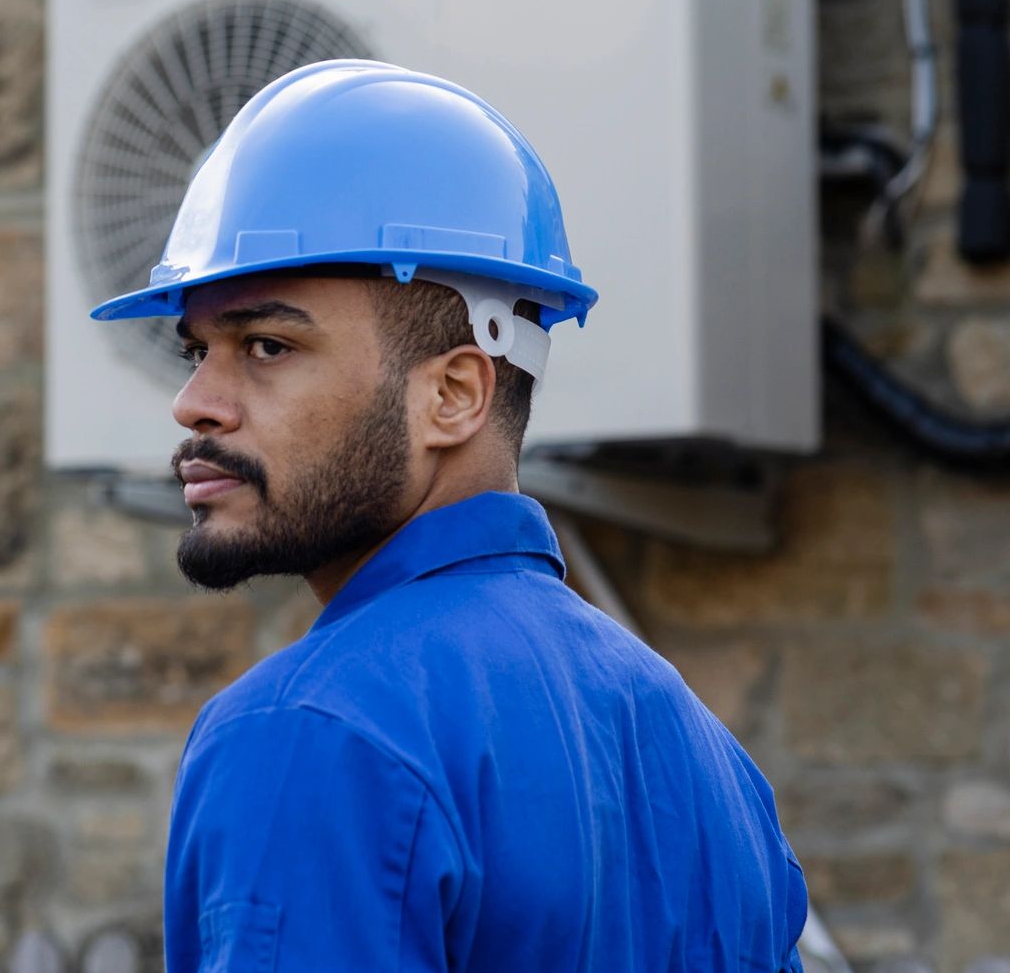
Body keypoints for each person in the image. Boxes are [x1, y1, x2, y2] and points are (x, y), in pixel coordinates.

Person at [89, 60, 808, 971]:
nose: (193, 402)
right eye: (198, 350)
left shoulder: (313, 731)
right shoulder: (709, 764)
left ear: (455, 395)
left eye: (266, 345)